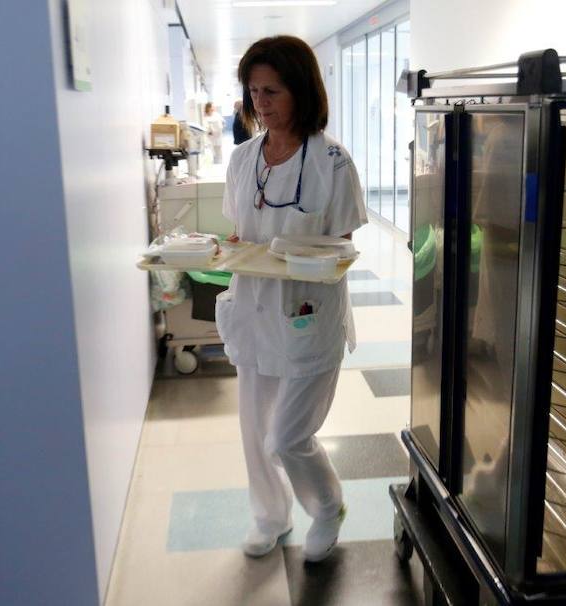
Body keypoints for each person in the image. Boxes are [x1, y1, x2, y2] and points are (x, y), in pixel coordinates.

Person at [214, 35, 367, 563]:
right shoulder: (242, 159)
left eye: (272, 91)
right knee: (255, 433)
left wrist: (298, 255)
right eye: (254, 91)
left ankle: (326, 508)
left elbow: (345, 244)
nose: (261, 102)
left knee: (287, 437)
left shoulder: (333, 162)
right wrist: (226, 252)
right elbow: (240, 232)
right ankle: (270, 517)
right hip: (253, 311)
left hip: (307, 314)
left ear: (302, 90)